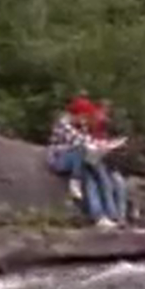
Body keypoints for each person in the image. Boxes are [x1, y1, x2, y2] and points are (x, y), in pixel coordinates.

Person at [47, 93, 129, 228]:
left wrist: (108, 146)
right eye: (83, 117)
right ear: (76, 114)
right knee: (81, 151)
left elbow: (91, 142)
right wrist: (103, 145)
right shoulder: (63, 124)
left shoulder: (83, 125)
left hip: (79, 161)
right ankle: (75, 180)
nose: (85, 120)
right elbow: (82, 141)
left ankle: (106, 216)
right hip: (60, 159)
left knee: (92, 177)